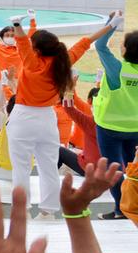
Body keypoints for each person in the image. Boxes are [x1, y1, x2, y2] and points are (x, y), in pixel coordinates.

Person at [8, 18, 109, 217]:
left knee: (21, 167)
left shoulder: (31, 61)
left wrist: (18, 25)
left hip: (22, 117)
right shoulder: (64, 61)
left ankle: (22, 211)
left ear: (36, 50)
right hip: (47, 118)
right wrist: (111, 23)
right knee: (49, 167)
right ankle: (48, 212)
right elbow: (87, 40)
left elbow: (21, 41)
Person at [91, 12, 136, 219]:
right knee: (134, 169)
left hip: (109, 127)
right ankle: (133, 206)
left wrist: (113, 23)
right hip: (135, 128)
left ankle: (120, 209)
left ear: (125, 49)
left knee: (114, 168)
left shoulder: (117, 69)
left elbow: (100, 46)